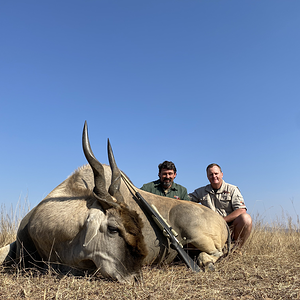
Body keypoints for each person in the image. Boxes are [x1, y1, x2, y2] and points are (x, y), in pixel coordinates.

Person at [189, 163, 252, 248]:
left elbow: (241, 210)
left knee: (246, 219)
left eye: (216, 173)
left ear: (221, 174)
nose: (214, 176)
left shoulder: (232, 189)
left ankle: (237, 250)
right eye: (211, 174)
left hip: (228, 227)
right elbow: (186, 199)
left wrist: (221, 221)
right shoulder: (201, 191)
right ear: (207, 177)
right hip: (210, 229)